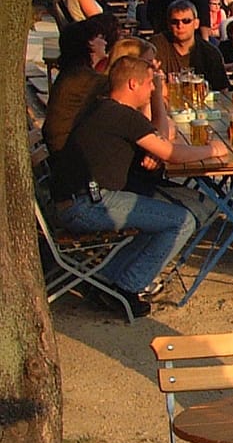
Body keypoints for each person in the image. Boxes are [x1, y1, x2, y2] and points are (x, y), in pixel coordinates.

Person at [49, 57, 222, 316]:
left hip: (74, 200)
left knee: (162, 216)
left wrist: (156, 142)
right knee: (181, 220)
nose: (153, 89)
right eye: (150, 85)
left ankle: (108, 280)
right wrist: (211, 149)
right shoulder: (122, 115)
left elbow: (160, 140)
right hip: (88, 205)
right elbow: (171, 153)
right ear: (133, 84)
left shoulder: (102, 108)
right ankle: (126, 287)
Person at [43, 15, 118, 153]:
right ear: (89, 44)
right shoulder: (82, 77)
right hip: (66, 152)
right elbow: (123, 88)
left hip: (63, 146)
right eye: (100, 38)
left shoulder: (73, 72)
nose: (105, 42)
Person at [152, 0, 230, 91]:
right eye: (174, 22)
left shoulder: (210, 53)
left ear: (196, 23)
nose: (180, 26)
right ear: (168, 24)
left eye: (186, 21)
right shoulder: (156, 46)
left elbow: (222, 90)